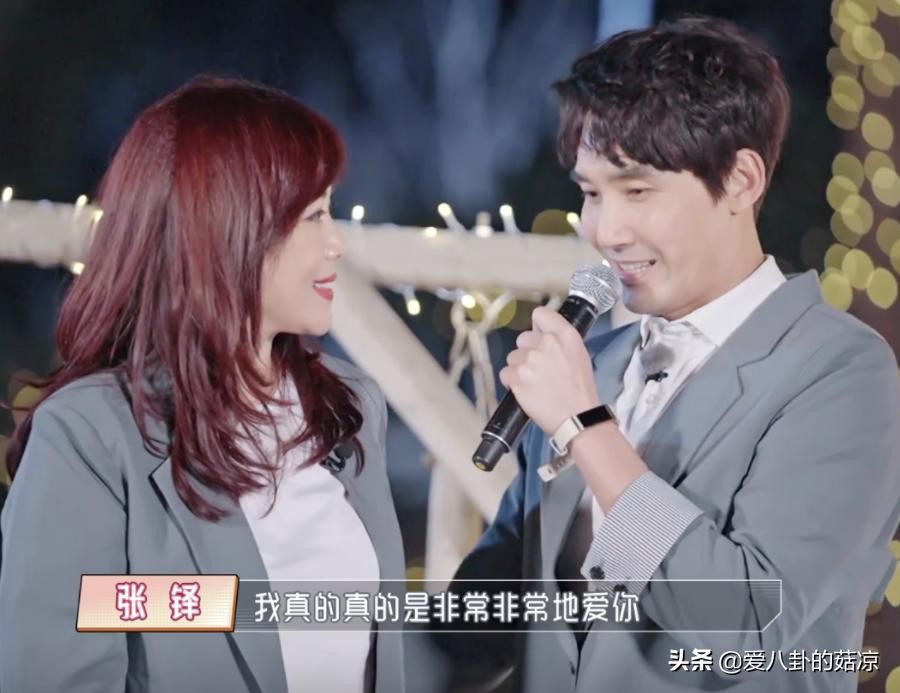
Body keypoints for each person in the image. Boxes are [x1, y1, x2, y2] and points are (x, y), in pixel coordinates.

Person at [427, 15, 900, 693]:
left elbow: (745, 624)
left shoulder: (842, 372)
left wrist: (586, 427)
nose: (606, 230)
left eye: (638, 190)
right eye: (591, 193)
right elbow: (481, 627)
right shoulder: (594, 363)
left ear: (740, 180)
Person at [0, 77, 405, 693]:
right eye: (314, 215)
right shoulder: (88, 438)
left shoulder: (348, 408)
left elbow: (401, 649)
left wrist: (553, 454)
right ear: (228, 227)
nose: (337, 243)